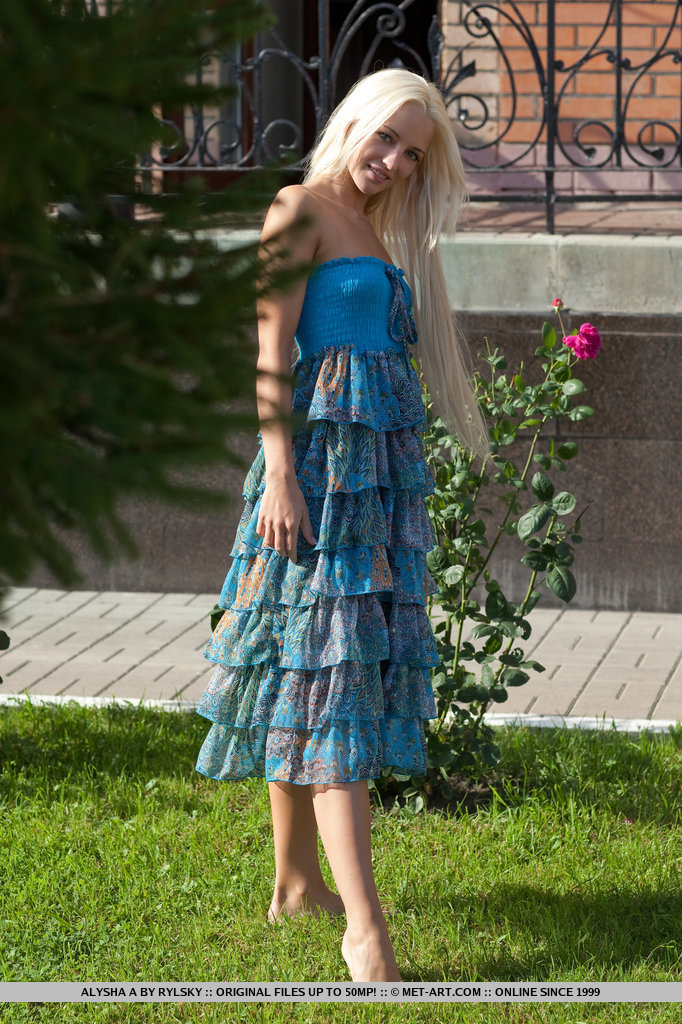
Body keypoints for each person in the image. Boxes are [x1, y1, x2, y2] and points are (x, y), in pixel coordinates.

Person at [194, 68, 487, 983]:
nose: (394, 160)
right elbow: (271, 352)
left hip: (375, 484)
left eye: (413, 153)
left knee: (309, 662)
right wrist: (282, 478)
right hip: (319, 478)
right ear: (352, 120)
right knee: (335, 682)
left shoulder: (378, 227)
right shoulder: (299, 209)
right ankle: (366, 931)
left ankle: (293, 884)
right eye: (385, 137)